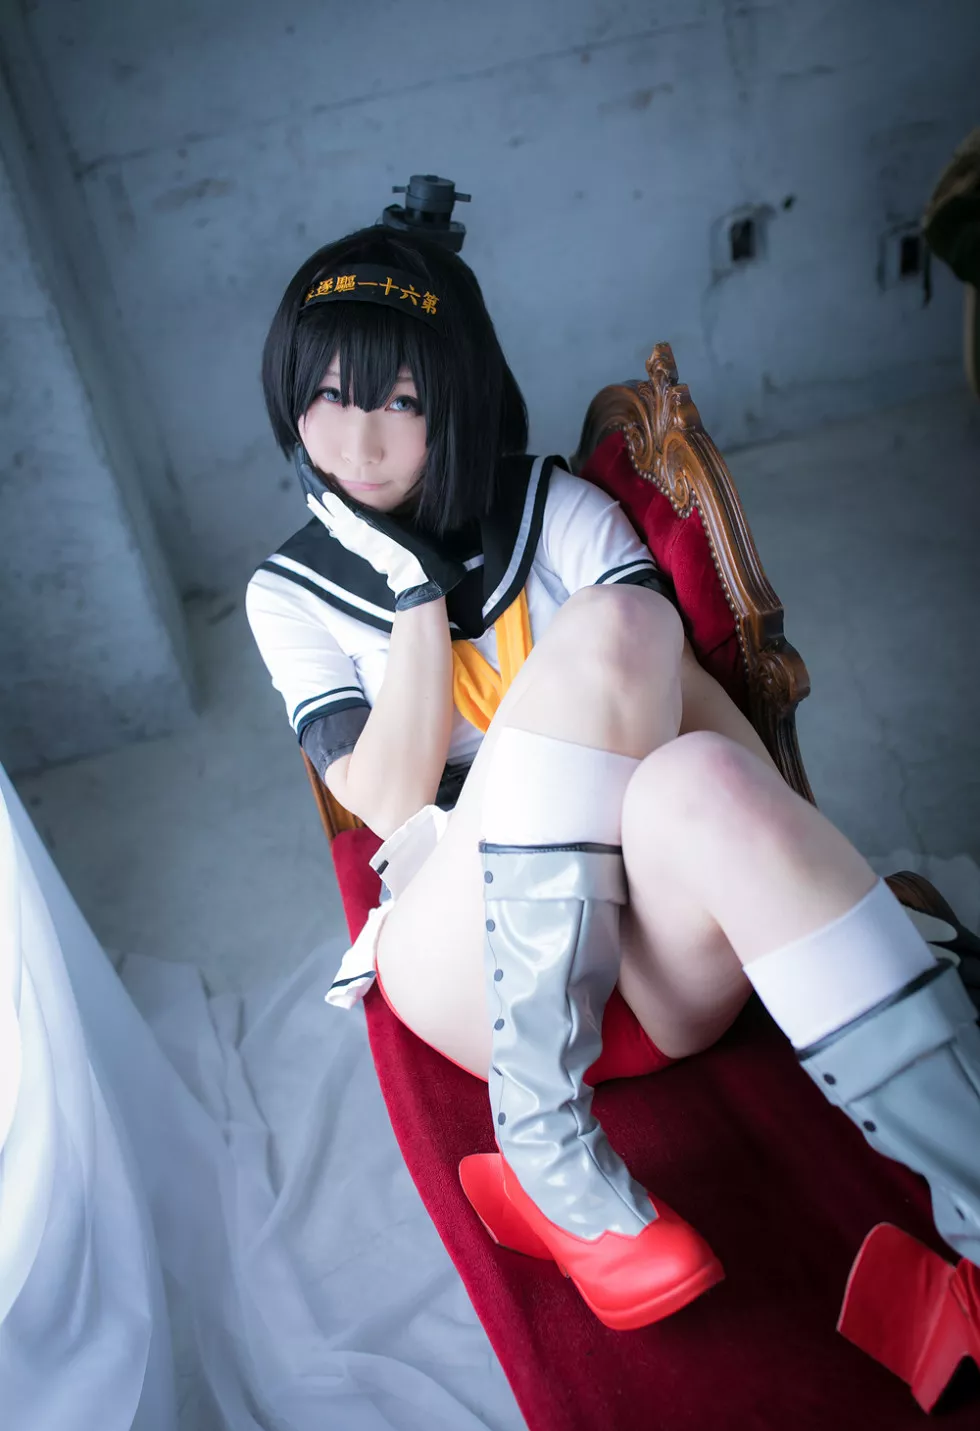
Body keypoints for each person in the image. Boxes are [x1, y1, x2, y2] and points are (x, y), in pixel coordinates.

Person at [247, 223, 980, 1332]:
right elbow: (391, 802)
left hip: (658, 965)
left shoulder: (557, 511)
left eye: (398, 399)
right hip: (468, 961)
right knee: (614, 631)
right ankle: (544, 1146)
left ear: (458, 397)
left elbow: (690, 720)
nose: (356, 438)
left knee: (696, 756)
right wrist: (414, 593)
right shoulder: (288, 593)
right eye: (326, 396)